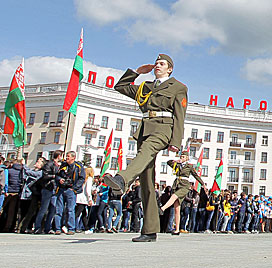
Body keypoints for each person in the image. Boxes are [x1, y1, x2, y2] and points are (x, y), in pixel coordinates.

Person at [104, 54, 188, 242]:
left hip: (163, 128)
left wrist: (176, 141)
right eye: (156, 63)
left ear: (170, 69)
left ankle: (122, 179)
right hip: (145, 129)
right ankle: (149, 230)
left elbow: (180, 116)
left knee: (145, 153)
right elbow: (121, 87)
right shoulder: (145, 87)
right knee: (147, 180)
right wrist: (136, 72)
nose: (158, 66)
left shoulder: (178, 87)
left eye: (162, 64)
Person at [158, 152, 204, 235]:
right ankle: (177, 229)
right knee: (177, 208)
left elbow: (195, 175)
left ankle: (162, 208)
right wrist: (175, 161)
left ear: (187, 158)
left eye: (183, 157)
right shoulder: (177, 165)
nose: (181, 158)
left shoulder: (189, 166)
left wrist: (203, 183)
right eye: (181, 156)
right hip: (177, 184)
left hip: (185, 185)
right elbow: (168, 162)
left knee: (174, 196)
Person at [54, 151, 85, 235]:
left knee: (70, 210)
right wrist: (59, 179)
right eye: (66, 156)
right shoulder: (63, 165)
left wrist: (74, 188)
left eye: (68, 156)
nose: (67, 158)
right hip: (61, 189)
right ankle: (57, 228)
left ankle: (71, 228)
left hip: (71, 190)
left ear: (73, 158)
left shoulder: (78, 166)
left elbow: (82, 178)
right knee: (58, 210)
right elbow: (57, 175)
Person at [34, 150, 62, 234]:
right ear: (59, 156)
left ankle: (48, 227)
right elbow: (45, 175)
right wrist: (55, 176)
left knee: (53, 209)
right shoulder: (49, 164)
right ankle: (37, 227)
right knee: (43, 209)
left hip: (54, 189)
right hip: (48, 188)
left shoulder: (59, 165)